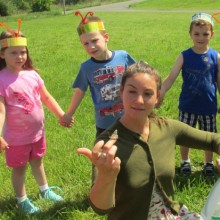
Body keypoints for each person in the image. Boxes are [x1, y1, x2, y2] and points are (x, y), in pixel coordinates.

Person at [77, 61, 220, 220]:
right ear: (121, 91)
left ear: (157, 96)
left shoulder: (166, 128)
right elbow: (100, 208)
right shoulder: (108, 143)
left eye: (147, 93)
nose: (139, 100)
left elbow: (213, 140)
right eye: (132, 91)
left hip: (173, 214)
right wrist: (106, 177)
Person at [0, 19, 72, 214]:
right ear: (2, 54)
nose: (19, 56)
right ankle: (22, 200)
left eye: (23, 52)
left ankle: (44, 190)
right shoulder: (2, 80)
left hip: (37, 133)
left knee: (38, 161)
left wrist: (61, 114)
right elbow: (1, 111)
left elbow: (46, 97)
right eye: (13, 53)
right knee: (20, 168)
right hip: (15, 139)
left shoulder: (32, 74)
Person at [158, 13, 220, 176]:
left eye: (205, 34)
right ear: (190, 34)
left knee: (209, 136)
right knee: (185, 136)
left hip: (208, 106)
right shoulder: (184, 56)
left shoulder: (216, 56)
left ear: (211, 34)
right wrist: (161, 91)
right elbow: (171, 77)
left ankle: (208, 163)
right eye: (197, 34)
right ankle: (185, 161)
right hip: (188, 105)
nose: (201, 38)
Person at [60, 11, 136, 137]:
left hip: (128, 117)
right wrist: (69, 114)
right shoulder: (86, 68)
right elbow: (80, 91)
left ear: (106, 37)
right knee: (105, 154)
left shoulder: (123, 57)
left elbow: (138, 76)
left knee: (130, 151)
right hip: (105, 123)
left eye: (95, 40)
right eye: (86, 43)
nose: (91, 47)